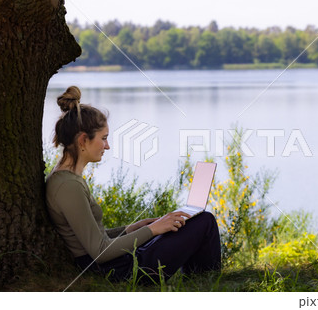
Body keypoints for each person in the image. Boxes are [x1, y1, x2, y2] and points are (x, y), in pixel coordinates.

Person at [45, 86, 221, 283]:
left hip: (118, 263)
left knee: (187, 222)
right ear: (83, 140)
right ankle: (205, 283)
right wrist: (153, 230)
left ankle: (199, 281)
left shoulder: (68, 179)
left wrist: (132, 228)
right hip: (119, 271)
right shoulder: (68, 186)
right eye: (103, 138)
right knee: (204, 222)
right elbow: (100, 251)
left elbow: (92, 236)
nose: (107, 146)